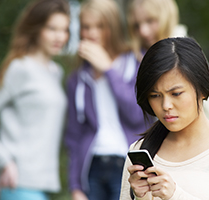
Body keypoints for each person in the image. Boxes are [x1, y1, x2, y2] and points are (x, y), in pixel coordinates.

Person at [120, 37, 209, 200]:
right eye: (155, 95)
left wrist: (175, 195)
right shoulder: (139, 151)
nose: (166, 105)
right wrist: (140, 197)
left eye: (176, 93)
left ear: (201, 89)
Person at [0, 0, 70, 199]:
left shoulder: (56, 72)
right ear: (36, 28)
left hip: (42, 185)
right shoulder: (19, 68)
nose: (60, 36)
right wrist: (4, 162)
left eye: (64, 30)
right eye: (52, 28)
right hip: (17, 182)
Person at [64, 0, 149, 200]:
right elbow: (74, 135)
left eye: (100, 26)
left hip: (127, 166)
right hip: (92, 169)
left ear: (113, 27)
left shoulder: (135, 62)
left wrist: (108, 69)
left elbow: (138, 115)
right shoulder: (78, 78)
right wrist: (75, 186)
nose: (92, 33)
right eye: (86, 27)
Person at [127, 0, 209, 126]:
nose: (143, 31)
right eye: (136, 25)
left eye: (150, 21)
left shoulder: (185, 54)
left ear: (166, 17)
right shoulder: (137, 56)